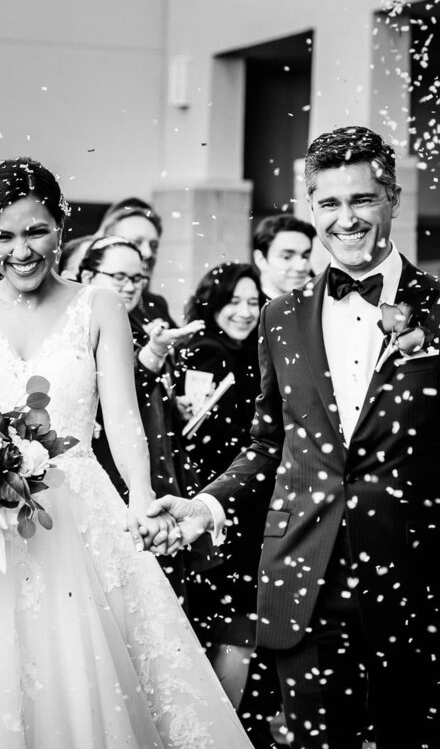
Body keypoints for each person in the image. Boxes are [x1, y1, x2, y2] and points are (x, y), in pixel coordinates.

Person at [150, 127, 440, 749]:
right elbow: (268, 446)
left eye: (362, 200)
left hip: (417, 587)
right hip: (303, 582)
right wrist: (208, 502)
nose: (345, 219)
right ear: (311, 207)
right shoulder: (280, 317)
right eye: (328, 203)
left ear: (393, 199)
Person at [0, 158, 248, 747]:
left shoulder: (99, 305)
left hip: (79, 513)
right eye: (4, 235)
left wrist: (142, 499)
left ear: (62, 229)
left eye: (36, 230)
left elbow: (121, 419)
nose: (22, 250)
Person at [173, 263, 283, 747]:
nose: (243, 311)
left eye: (251, 301)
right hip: (219, 505)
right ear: (211, 302)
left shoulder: (246, 350)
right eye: (232, 301)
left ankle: (238, 729)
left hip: (242, 505)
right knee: (230, 621)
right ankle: (225, 734)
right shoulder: (204, 350)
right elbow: (195, 432)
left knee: (238, 621)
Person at [78, 235, 202, 606]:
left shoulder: (141, 322)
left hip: (158, 471)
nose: (129, 287)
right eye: (118, 277)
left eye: (137, 278)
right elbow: (114, 391)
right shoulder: (81, 331)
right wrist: (153, 354)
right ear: (86, 276)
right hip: (110, 479)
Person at [97, 197, 175, 325]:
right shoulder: (89, 303)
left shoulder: (156, 305)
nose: (148, 253)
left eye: (154, 245)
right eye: (136, 243)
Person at [251, 214, 315, 304]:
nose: (301, 267)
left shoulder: (317, 302)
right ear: (260, 260)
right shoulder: (248, 311)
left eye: (305, 256)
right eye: (287, 257)